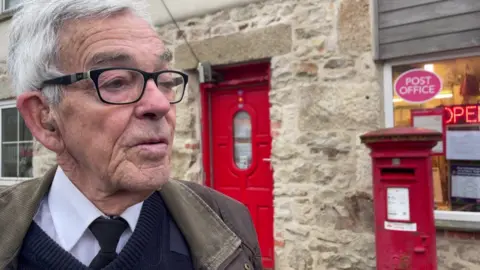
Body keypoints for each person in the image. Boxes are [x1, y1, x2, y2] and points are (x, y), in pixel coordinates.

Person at [0, 0, 263, 269]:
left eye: (165, 81)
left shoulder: (229, 223)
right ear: (44, 117)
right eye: (116, 82)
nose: (160, 104)